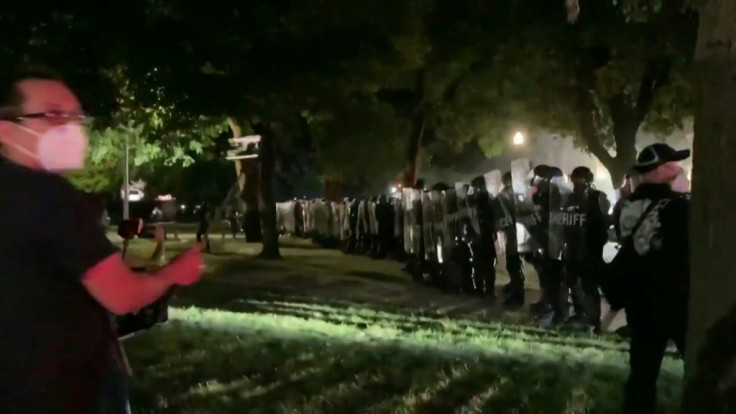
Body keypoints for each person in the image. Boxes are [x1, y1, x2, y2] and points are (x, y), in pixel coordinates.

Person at [0, 72, 203, 413]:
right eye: (53, 115)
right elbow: (122, 295)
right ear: (6, 128)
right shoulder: (50, 196)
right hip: (64, 391)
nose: (71, 127)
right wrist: (173, 273)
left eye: (77, 117)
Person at [612, 143, 690, 414]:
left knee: (643, 371)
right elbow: (684, 249)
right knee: (701, 361)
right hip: (673, 297)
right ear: (662, 169)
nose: (679, 167)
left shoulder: (625, 205)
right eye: (673, 163)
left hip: (639, 299)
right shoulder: (677, 206)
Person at [558, 166, 610, 333]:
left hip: (589, 248)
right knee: (572, 282)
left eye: (578, 179)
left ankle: (594, 321)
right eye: (573, 179)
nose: (575, 183)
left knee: (589, 285)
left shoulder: (598, 197)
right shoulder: (567, 198)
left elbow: (604, 221)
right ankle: (580, 314)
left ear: (588, 180)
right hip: (571, 247)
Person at [498, 172, 526, 308]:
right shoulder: (513, 195)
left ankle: (517, 295)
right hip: (512, 235)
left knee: (513, 265)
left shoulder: (512, 196)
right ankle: (515, 290)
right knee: (513, 265)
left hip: (515, 236)